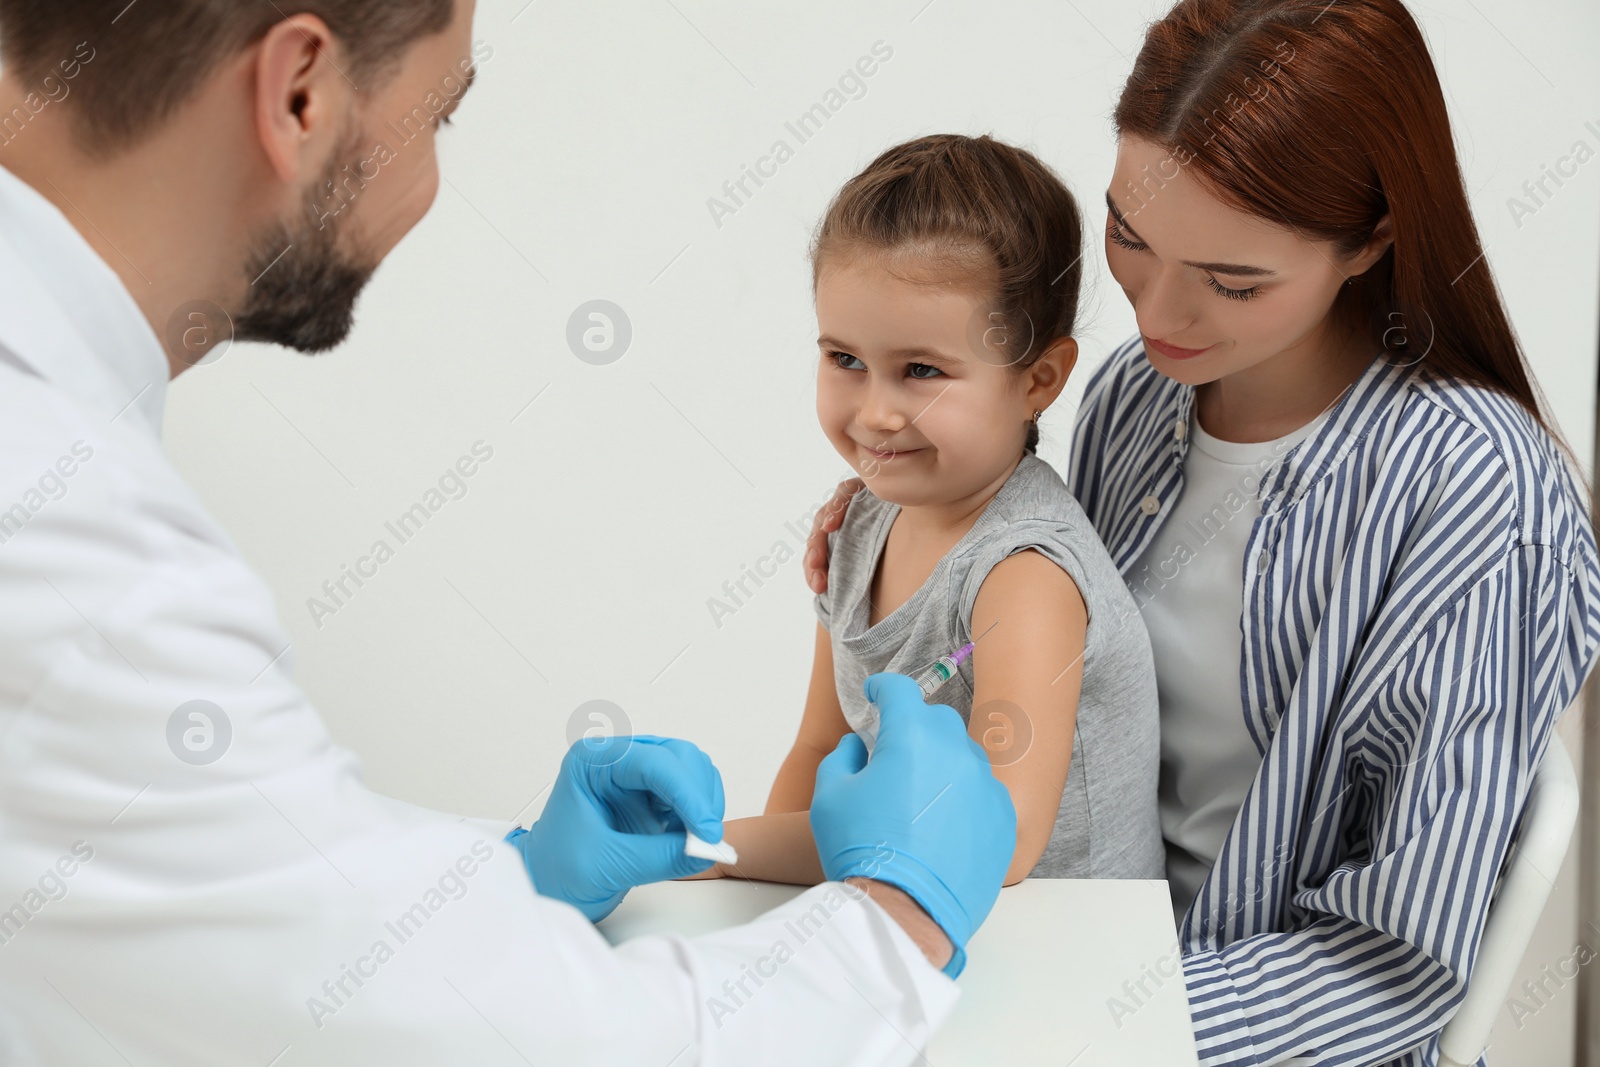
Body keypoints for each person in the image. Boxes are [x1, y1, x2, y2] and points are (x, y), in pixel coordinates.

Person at [0, 2, 1018, 1063]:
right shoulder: (73, 553)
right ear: (301, 91)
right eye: (439, 115)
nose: (431, 184)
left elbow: (195, 874)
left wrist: (504, 873)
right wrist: (893, 925)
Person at [804, 1, 1600, 1064]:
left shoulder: (1473, 491)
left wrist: (1086, 1021)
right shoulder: (1138, 395)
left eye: (1232, 280)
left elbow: (1391, 963)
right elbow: (1058, 675)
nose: (1156, 312)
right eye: (1130, 236)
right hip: (1046, 950)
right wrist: (915, 534)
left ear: (1370, 240)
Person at [690, 134, 1164, 888]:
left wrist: (714, 847)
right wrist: (743, 896)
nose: (875, 412)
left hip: (1056, 949)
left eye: (921, 371)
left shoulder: (1025, 578)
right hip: (905, 893)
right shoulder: (859, 530)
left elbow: (992, 840)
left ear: (1039, 379)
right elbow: (819, 748)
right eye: (845, 359)